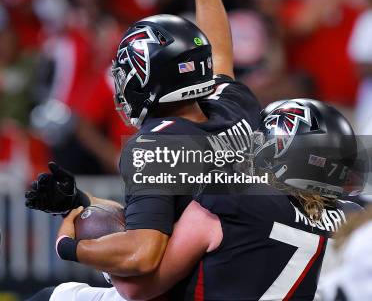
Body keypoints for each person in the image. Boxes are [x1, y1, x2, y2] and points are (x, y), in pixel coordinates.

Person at [26, 0, 259, 281]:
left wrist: (69, 247)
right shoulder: (234, 105)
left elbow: (144, 254)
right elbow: (219, 54)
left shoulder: (156, 146)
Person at [29, 99, 363, 301]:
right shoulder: (354, 222)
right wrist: (85, 200)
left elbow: (139, 287)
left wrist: (72, 247)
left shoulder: (233, 198)